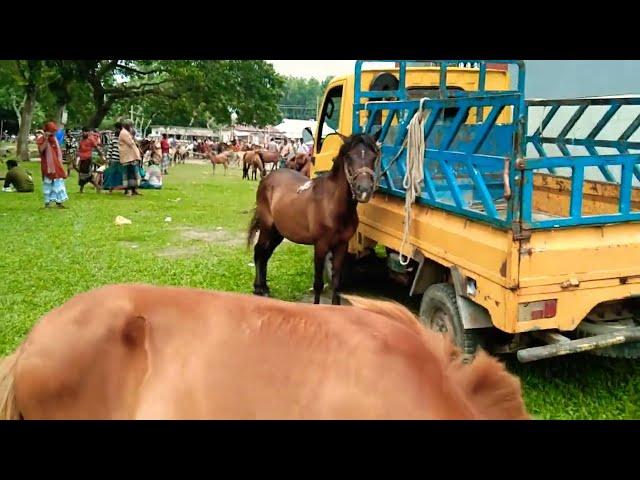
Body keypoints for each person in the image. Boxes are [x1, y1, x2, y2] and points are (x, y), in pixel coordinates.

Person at [36, 121, 68, 208]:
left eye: (54, 131)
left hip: (56, 165)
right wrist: (46, 138)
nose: (53, 133)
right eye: (52, 131)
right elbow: (41, 150)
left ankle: (59, 202)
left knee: (59, 183)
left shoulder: (54, 139)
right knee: (47, 183)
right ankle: (47, 203)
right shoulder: (41, 139)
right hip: (47, 166)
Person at [118, 119, 142, 196]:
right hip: (127, 156)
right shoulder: (124, 133)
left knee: (134, 173)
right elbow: (131, 143)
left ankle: (134, 190)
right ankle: (128, 191)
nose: (132, 127)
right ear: (127, 126)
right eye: (131, 125)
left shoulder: (127, 133)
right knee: (128, 174)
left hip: (131, 156)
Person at [77, 127, 103, 193]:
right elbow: (79, 150)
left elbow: (96, 148)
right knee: (81, 174)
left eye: (85, 131)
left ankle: (97, 186)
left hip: (88, 159)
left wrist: (101, 155)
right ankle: (81, 189)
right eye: (83, 132)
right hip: (82, 159)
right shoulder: (81, 140)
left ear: (88, 132)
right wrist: (76, 158)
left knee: (87, 175)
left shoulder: (91, 139)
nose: (83, 133)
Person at [102, 122, 124, 192]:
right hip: (114, 160)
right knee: (112, 174)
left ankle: (122, 188)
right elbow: (110, 149)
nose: (115, 130)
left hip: (122, 160)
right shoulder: (113, 138)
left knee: (122, 174)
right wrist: (108, 158)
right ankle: (110, 189)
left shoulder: (123, 138)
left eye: (116, 129)